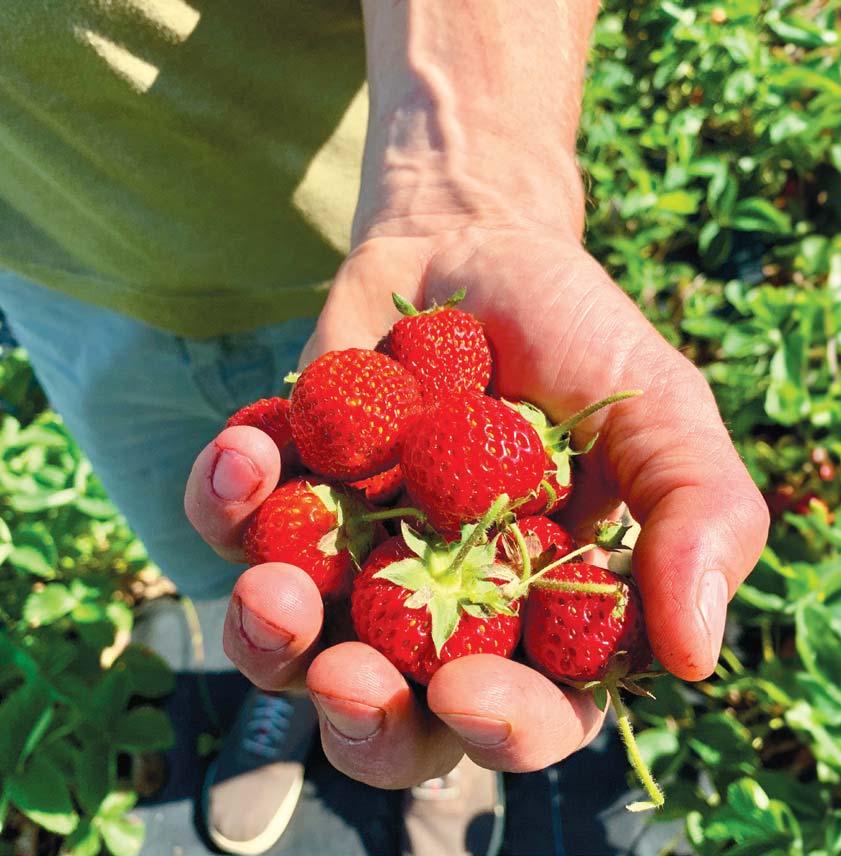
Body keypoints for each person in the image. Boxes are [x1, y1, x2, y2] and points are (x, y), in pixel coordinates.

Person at [0, 2, 769, 854]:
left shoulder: (442, 423)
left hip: (355, 221)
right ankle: (285, 693)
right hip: (50, 262)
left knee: (300, 572)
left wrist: (469, 185)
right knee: (230, 556)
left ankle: (443, 735)